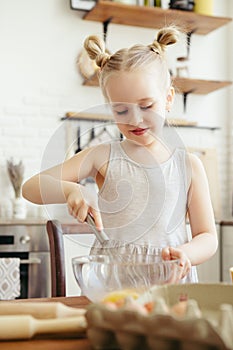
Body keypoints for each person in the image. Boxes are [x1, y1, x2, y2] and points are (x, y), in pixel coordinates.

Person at [22, 26, 218, 283]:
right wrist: (72, 190)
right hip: (113, 282)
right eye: (121, 111)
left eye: (146, 106)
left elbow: (208, 237)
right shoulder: (103, 156)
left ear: (168, 98)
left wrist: (185, 254)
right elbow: (31, 188)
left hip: (169, 283)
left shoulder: (189, 165)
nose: (135, 119)